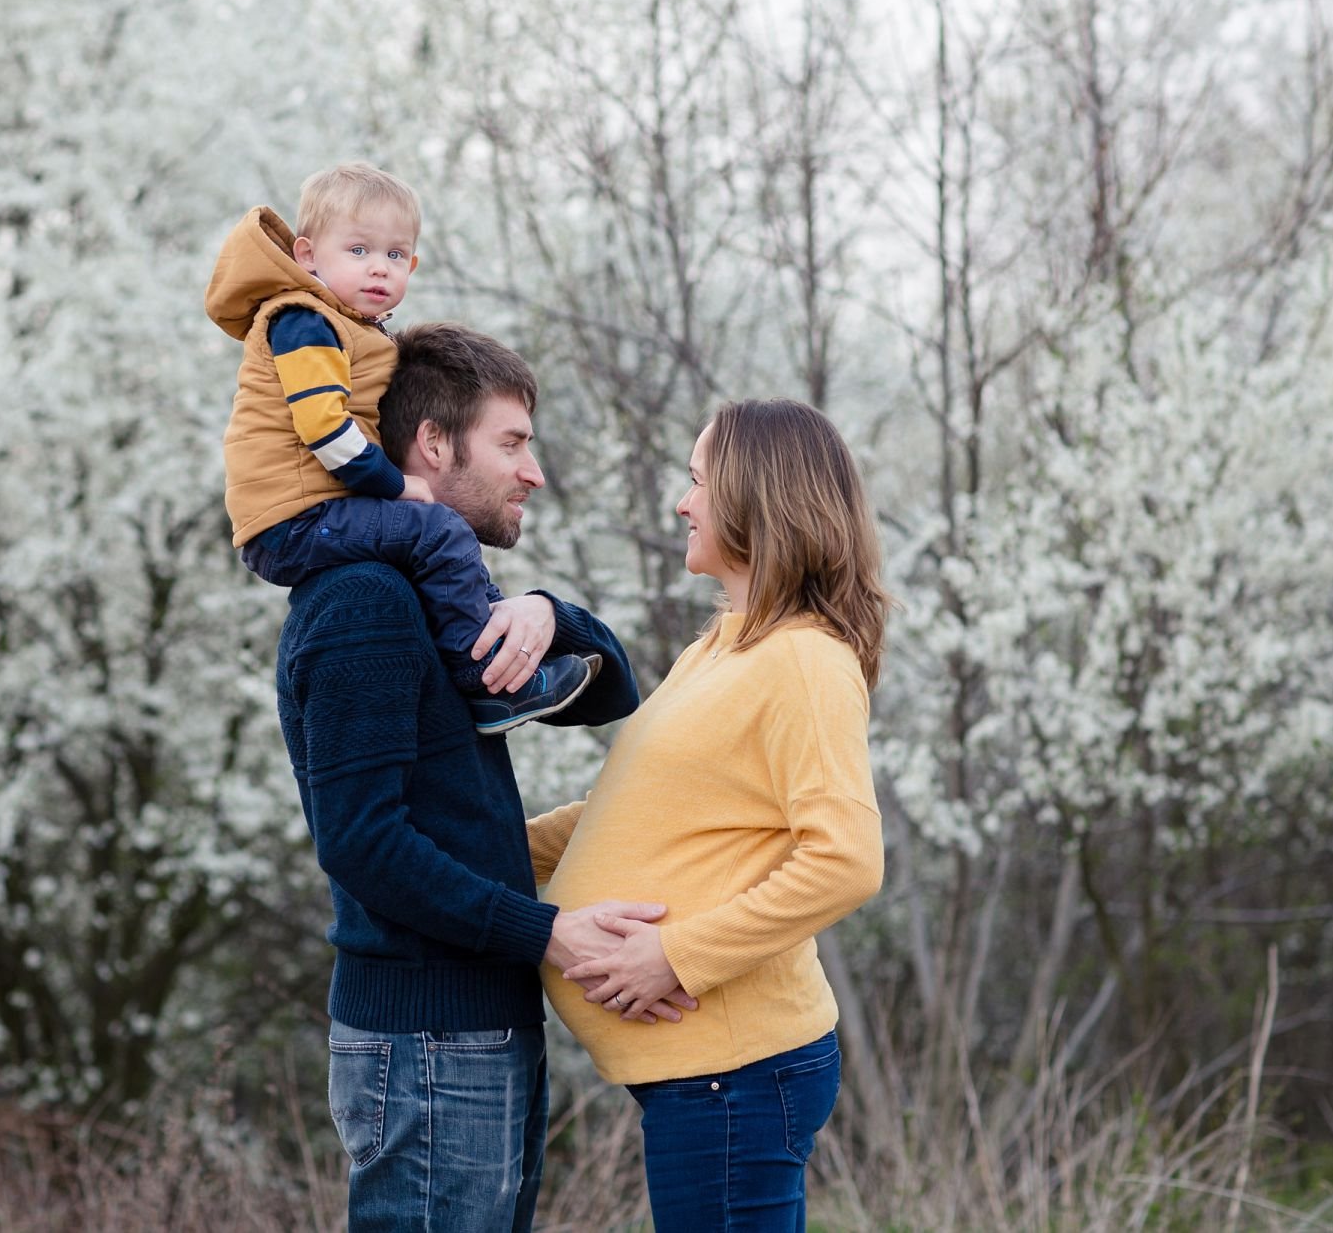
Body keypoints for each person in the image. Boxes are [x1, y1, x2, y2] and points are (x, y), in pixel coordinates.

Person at [274, 322, 692, 1233]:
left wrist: (549, 612)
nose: (532, 472)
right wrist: (546, 933)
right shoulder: (366, 604)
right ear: (432, 445)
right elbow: (363, 843)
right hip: (428, 1045)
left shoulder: (429, 590)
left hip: (469, 1033)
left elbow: (608, 693)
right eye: (512, 444)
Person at [529, 398, 891, 1231]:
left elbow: (846, 859)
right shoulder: (724, 646)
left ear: (755, 500)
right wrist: (474, 848)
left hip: (739, 1068)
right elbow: (639, 809)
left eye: (697, 482)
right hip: (709, 1072)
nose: (682, 502)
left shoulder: (804, 660)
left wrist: (676, 956)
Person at [207, 161, 595, 734]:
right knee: (433, 526)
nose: (378, 269)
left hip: (311, 511)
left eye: (394, 256)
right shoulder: (303, 322)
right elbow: (323, 429)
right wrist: (394, 483)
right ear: (309, 256)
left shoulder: (346, 326)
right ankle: (482, 677)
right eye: (358, 250)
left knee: (437, 535)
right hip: (291, 519)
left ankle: (493, 638)